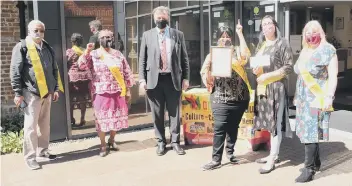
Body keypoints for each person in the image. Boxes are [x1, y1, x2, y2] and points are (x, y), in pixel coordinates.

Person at [10, 20, 64, 170]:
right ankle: (30, 157)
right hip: (31, 93)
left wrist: (56, 88)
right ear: (29, 31)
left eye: (41, 30)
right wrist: (17, 93)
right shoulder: (22, 47)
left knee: (44, 125)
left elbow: (54, 69)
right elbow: (15, 71)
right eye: (35, 30)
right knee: (31, 127)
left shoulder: (47, 48)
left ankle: (43, 151)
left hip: (47, 93)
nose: (38, 33)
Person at [200, 21, 251, 170]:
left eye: (228, 36)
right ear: (217, 38)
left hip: (240, 98)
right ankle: (216, 159)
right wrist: (207, 78)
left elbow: (246, 57)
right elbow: (204, 71)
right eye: (222, 36)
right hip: (220, 98)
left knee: (233, 127)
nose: (225, 39)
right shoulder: (212, 54)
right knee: (220, 127)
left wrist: (240, 33)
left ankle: (230, 152)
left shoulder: (237, 52)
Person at [139, 6, 190, 156]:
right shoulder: (147, 35)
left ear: (168, 18)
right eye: (158, 18)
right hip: (154, 81)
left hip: (173, 79)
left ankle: (175, 142)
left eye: (163, 18)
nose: (160, 20)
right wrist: (142, 79)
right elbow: (142, 59)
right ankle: (161, 142)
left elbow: (184, 58)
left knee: (174, 113)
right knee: (157, 113)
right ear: (154, 19)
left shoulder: (177, 35)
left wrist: (186, 78)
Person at [293, 20, 338, 183]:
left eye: (314, 31)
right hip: (303, 99)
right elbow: (298, 70)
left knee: (310, 133)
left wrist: (329, 97)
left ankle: (309, 168)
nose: (311, 35)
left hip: (316, 98)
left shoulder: (328, 50)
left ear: (321, 33)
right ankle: (316, 162)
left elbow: (333, 76)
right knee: (308, 131)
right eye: (308, 32)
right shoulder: (305, 50)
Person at [78, 29, 135, 157]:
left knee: (116, 117)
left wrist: (128, 90)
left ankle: (112, 140)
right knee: (102, 119)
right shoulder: (94, 54)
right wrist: (87, 51)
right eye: (103, 37)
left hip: (118, 91)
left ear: (112, 39)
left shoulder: (118, 54)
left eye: (108, 37)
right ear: (99, 39)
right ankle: (103, 144)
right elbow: (81, 65)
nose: (106, 39)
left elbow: (126, 72)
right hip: (101, 92)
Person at [251, 15, 294, 174]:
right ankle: (272, 154)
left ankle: (273, 158)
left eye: (269, 23)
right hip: (263, 89)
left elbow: (288, 67)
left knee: (275, 123)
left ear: (275, 26)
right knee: (269, 123)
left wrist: (268, 76)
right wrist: (256, 70)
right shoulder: (261, 45)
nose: (266, 26)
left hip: (276, 88)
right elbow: (257, 65)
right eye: (263, 24)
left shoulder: (282, 43)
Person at [66, 33, 92, 127]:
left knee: (71, 99)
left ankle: (72, 119)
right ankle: (82, 118)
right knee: (82, 98)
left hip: (73, 78)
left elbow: (66, 63)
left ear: (73, 41)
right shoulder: (85, 51)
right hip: (85, 78)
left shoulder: (70, 51)